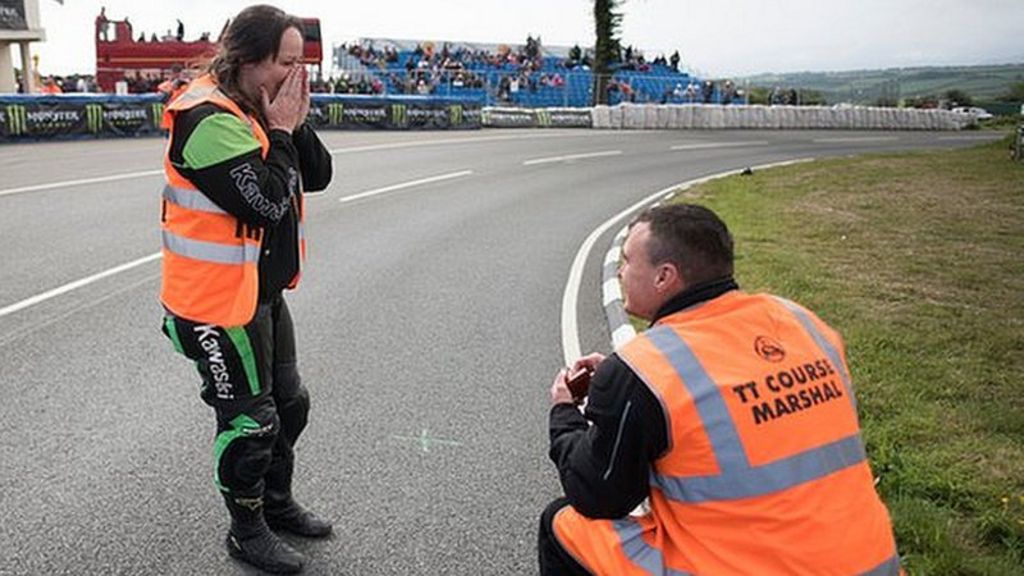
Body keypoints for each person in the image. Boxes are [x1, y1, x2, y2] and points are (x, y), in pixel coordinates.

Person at [539, 204, 902, 575]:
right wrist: (623, 392)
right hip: (873, 563)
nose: (620, 271)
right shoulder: (801, 322)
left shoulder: (643, 370)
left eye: (628, 261)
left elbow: (598, 494)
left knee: (561, 524)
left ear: (664, 277)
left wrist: (565, 413)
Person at [159, 5, 333, 574]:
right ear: (249, 58)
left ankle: (276, 504)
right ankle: (246, 529)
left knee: (291, 405)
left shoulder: (260, 105)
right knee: (251, 423)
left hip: (258, 293)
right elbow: (262, 202)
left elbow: (320, 175)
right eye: (286, 63)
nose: (295, 74)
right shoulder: (205, 117)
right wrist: (280, 129)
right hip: (212, 305)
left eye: (300, 62)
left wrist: (294, 122)